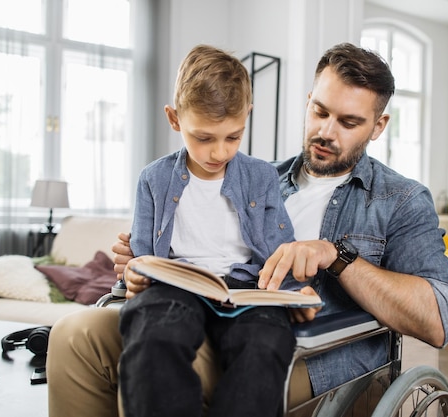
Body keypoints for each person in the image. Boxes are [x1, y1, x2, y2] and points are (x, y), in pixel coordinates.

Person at [46, 42, 448, 417]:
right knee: (74, 335)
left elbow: (439, 317)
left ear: (378, 126)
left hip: (311, 353)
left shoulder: (400, 199)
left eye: (348, 122)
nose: (325, 131)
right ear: (307, 101)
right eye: (319, 111)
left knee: (170, 362)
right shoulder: (256, 176)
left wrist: (336, 256)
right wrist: (146, 262)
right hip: (203, 313)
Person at [115, 44, 309, 417]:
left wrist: (294, 293)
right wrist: (134, 274)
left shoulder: (262, 176)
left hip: (246, 289)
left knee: (267, 343)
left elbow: (280, 247)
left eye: (233, 137)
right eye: (204, 138)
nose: (219, 152)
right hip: (175, 285)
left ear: (247, 117)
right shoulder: (153, 179)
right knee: (153, 336)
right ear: (175, 119)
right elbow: (141, 257)